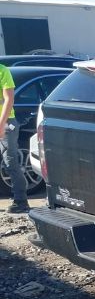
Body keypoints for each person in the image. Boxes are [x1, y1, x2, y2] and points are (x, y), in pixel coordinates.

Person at [0, 64, 29, 213]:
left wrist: (1, 123)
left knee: (10, 162)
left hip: (6, 123)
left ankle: (21, 201)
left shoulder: (3, 71)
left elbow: (8, 99)